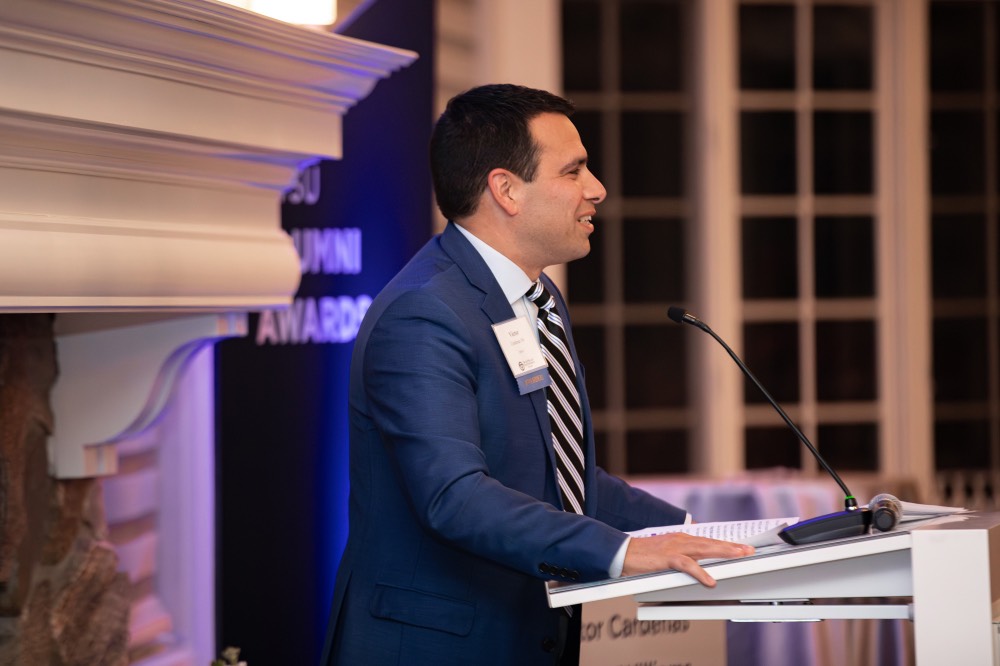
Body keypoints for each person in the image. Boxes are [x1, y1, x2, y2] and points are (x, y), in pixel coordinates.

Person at [320, 83, 753, 666]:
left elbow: (561, 478)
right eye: (573, 171)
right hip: (434, 645)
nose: (597, 189)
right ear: (506, 190)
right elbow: (454, 497)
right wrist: (621, 553)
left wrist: (701, 532)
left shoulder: (538, 298)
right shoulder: (424, 313)